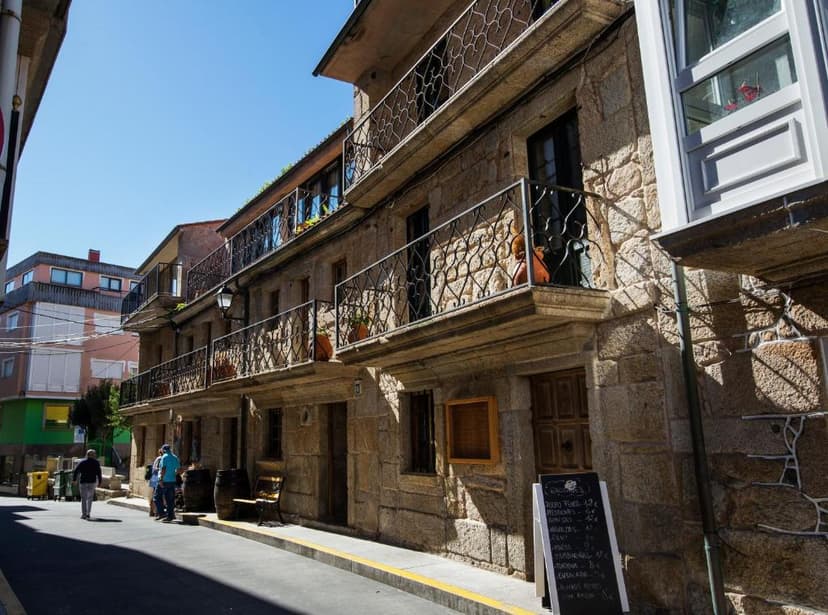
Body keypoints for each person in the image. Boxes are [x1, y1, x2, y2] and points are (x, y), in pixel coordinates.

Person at [72, 449, 102, 520]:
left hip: (83, 482)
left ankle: (84, 514)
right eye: (94, 454)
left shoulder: (82, 462)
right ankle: (88, 513)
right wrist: (100, 481)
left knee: (84, 498)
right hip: (92, 482)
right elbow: (99, 473)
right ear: (93, 455)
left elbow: (76, 471)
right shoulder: (96, 463)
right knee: (90, 498)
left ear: (87, 455)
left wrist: (74, 480)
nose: (95, 456)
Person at [158, 444, 180, 523]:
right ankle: (171, 515)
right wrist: (173, 474)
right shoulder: (175, 457)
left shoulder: (164, 457)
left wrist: (161, 479)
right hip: (172, 480)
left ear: (163, 450)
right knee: (170, 498)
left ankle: (165, 515)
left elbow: (163, 468)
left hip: (165, 480)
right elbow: (178, 469)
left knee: (160, 497)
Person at [149, 448, 163, 518]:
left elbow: (153, 468)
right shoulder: (160, 459)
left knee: (154, 494)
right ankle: (156, 512)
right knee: (157, 495)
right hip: (157, 478)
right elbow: (156, 469)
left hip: (154, 478)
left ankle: (152, 511)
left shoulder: (157, 459)